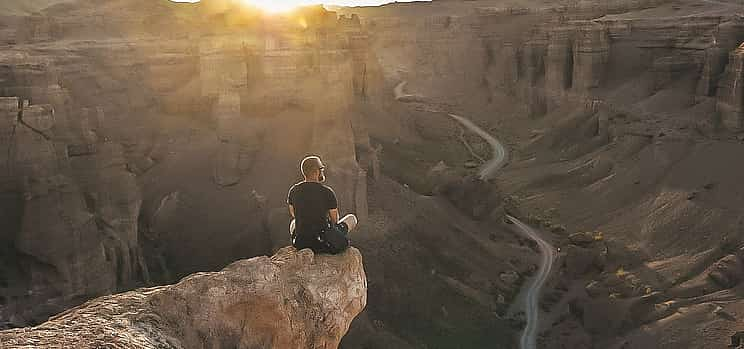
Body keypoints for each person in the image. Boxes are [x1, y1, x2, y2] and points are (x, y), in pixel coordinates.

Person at [287, 155, 357, 253]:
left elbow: (294, 214)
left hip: (301, 243)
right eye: (321, 169)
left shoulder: (293, 191)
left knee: (294, 222)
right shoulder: (327, 192)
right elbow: (335, 220)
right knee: (352, 218)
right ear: (316, 171)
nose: (322, 171)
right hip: (323, 242)